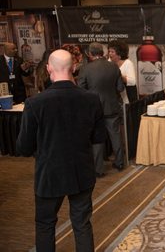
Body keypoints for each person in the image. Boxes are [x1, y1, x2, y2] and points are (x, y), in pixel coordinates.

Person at [16, 49, 106, 252]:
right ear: (74, 68)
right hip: (81, 171)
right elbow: (99, 138)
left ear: (48, 69)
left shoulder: (35, 103)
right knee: (82, 224)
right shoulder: (91, 99)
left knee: (45, 225)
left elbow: (23, 148)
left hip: (49, 174)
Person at [78, 42, 125, 176]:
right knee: (115, 136)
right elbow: (120, 88)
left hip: (94, 110)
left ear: (90, 54)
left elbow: (80, 90)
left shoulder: (85, 69)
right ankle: (120, 162)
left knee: (97, 139)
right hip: (112, 107)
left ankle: (98, 170)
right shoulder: (113, 67)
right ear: (103, 53)